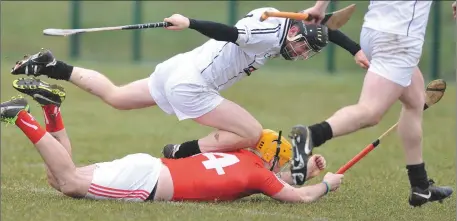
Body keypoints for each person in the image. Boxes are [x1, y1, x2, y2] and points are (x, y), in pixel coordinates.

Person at [10, 7, 369, 167]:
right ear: (293, 31)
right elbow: (228, 32)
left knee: (117, 97)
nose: (301, 52)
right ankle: (180, 152)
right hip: (191, 84)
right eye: (303, 46)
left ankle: (54, 66)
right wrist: (189, 22)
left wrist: (355, 50)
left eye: (308, 51)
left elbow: (325, 28)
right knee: (249, 133)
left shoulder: (284, 22)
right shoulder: (263, 33)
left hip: (177, 69)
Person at [1, 78, 344, 202]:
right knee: (70, 182)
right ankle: (22, 116)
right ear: (271, 160)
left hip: (149, 168)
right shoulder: (258, 173)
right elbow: (296, 196)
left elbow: (268, 180)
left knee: (60, 178)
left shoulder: (244, 156)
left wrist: (309, 173)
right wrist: (326, 183)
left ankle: (51, 110)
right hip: (146, 182)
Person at [288, 0, 453, 207]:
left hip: (375, 31)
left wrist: (320, 7)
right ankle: (311, 135)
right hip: (399, 38)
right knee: (370, 111)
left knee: (415, 101)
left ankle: (420, 187)